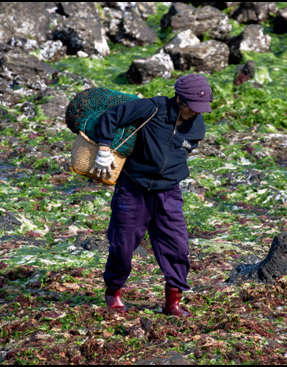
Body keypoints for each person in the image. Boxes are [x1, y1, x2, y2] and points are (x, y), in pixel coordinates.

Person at [91, 74, 213, 316]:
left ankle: (173, 302)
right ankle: (113, 291)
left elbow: (183, 149)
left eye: (201, 108)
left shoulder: (197, 125)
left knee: (178, 246)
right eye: (192, 106)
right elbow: (111, 116)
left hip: (168, 192)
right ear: (179, 99)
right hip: (133, 187)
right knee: (123, 245)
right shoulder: (152, 108)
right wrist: (104, 149)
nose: (196, 112)